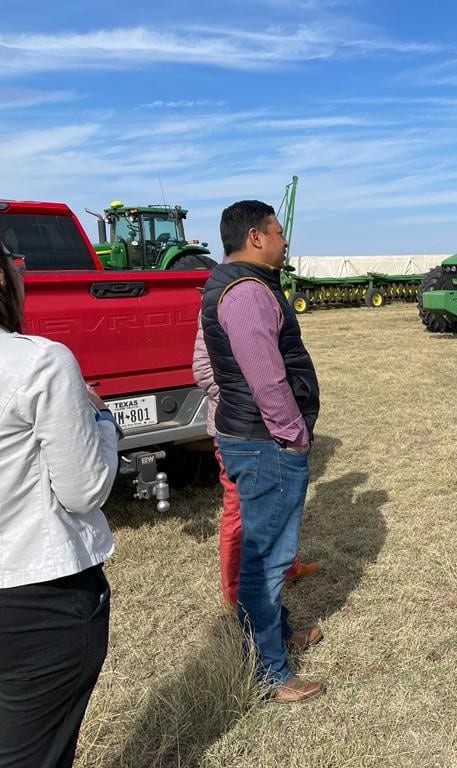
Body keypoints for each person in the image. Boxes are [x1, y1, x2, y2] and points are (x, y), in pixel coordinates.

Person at [0, 215, 119, 765]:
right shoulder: (40, 362)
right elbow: (84, 490)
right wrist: (103, 422)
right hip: (38, 599)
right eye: (12, 259)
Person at [200, 200, 325, 703]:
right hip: (264, 441)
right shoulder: (247, 292)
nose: (284, 239)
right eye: (277, 231)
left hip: (256, 438)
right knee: (266, 560)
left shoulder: (238, 284)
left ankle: (278, 633)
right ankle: (270, 672)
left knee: (267, 550)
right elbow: (267, 379)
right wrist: (293, 434)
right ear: (255, 236)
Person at [193, 315, 321, 610]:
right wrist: (248, 398)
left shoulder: (260, 298)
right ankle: (233, 591)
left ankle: (288, 566)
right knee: (237, 507)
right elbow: (203, 370)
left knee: (280, 500)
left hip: (269, 426)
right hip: (239, 429)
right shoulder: (221, 303)